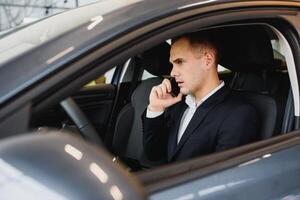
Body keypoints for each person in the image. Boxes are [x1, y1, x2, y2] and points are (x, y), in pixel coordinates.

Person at [142, 32, 259, 163]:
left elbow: (225, 178)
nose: (172, 73)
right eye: (172, 64)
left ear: (208, 60)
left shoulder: (238, 114)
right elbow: (154, 155)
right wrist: (155, 109)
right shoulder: (177, 104)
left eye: (179, 62)